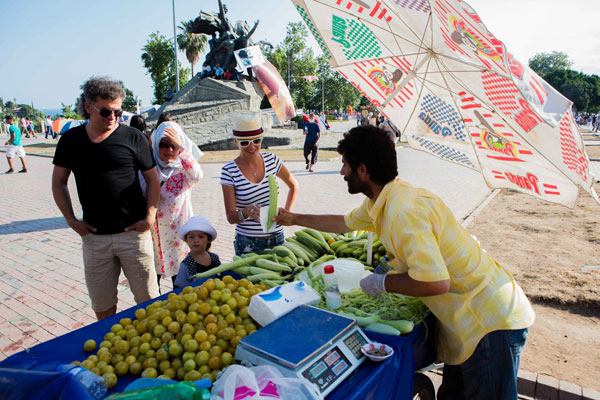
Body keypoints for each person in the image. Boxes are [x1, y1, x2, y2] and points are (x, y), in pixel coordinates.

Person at [274, 125, 535, 400]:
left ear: (362, 170)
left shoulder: (402, 211)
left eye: (345, 165)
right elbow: (342, 223)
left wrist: (382, 282)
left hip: (488, 320)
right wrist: (294, 218)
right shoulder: (385, 200)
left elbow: (436, 282)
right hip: (469, 321)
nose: (341, 172)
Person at [52, 76, 160, 320]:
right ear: (88, 107)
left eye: (118, 111)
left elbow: (153, 179)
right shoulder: (71, 141)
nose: (112, 116)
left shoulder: (134, 137)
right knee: (102, 305)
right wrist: (71, 220)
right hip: (95, 238)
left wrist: (150, 217)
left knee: (149, 302)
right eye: (105, 111)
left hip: (134, 235)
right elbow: (59, 182)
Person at [220, 112, 298, 255]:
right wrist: (246, 212)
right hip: (248, 242)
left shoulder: (272, 160)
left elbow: (293, 185)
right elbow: (231, 217)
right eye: (245, 142)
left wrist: (287, 213)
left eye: (256, 140)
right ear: (236, 141)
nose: (252, 146)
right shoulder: (229, 171)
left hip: (277, 239)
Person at [144, 121, 204, 291]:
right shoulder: (149, 169)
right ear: (156, 145)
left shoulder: (182, 171)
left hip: (178, 237)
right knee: (151, 286)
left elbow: (198, 175)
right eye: (164, 144)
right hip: (152, 237)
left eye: (174, 146)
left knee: (181, 285)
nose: (169, 150)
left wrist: (182, 149)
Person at [174, 216, 221, 288]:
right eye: (191, 237)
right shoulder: (186, 265)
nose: (196, 240)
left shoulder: (214, 258)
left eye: (201, 237)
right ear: (186, 240)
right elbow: (178, 289)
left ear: (208, 240)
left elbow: (221, 277)